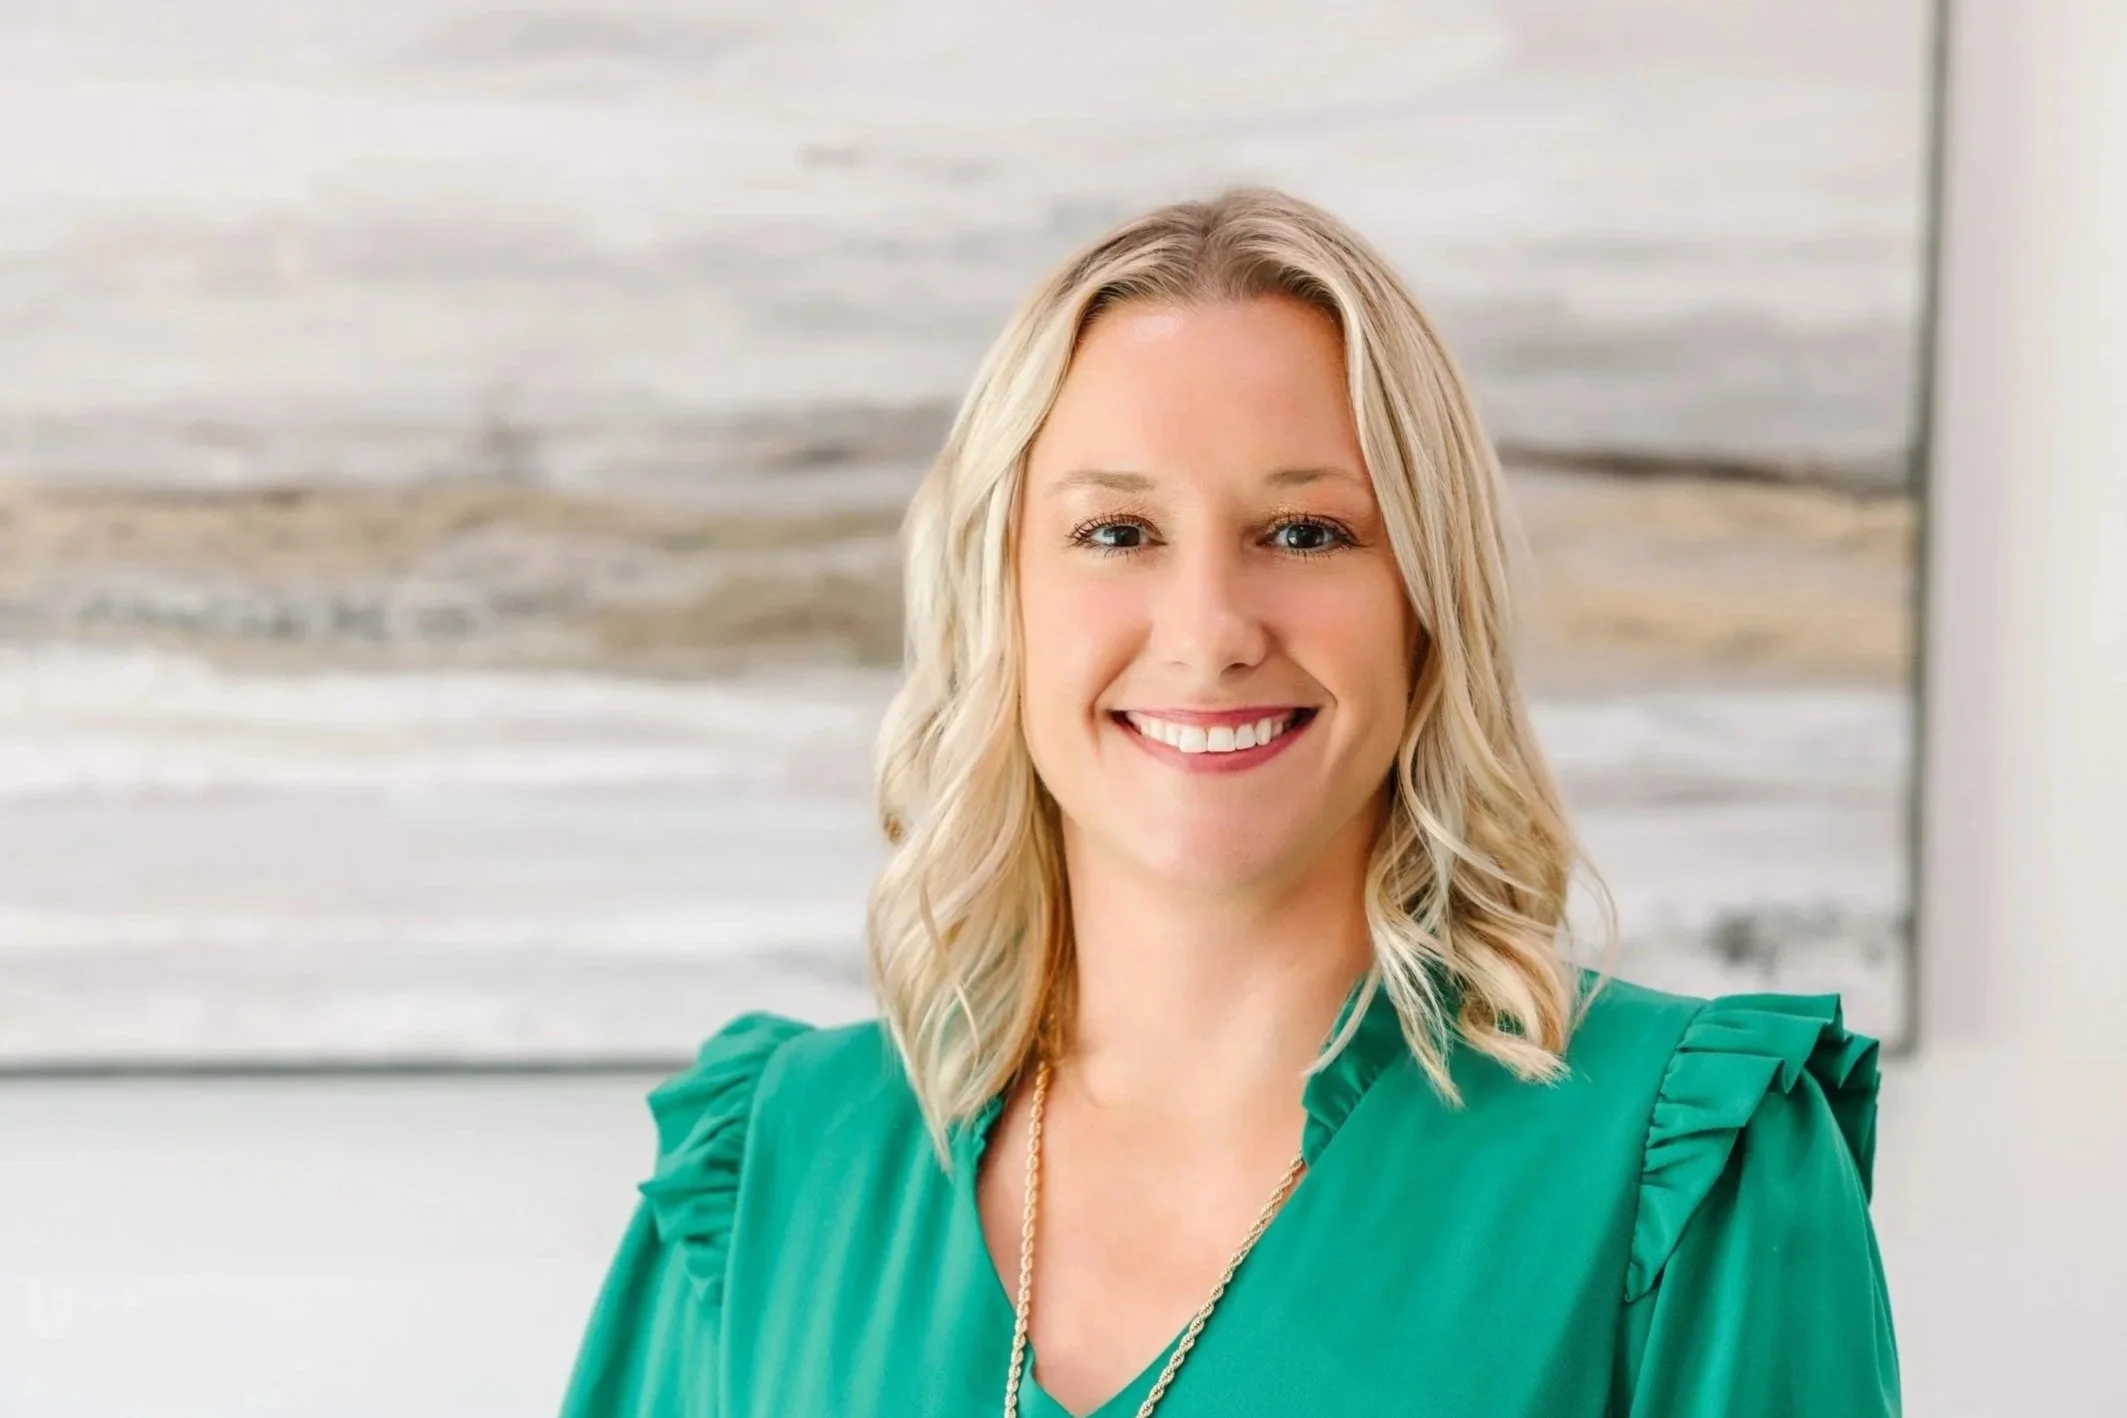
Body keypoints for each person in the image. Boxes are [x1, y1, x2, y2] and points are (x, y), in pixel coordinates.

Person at [558, 187, 1899, 1417]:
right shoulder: (773, 1173)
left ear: (1425, 606)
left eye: (1305, 533)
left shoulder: (1684, 1170)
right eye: (1117, 533)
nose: (1208, 633)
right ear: (997, 598)